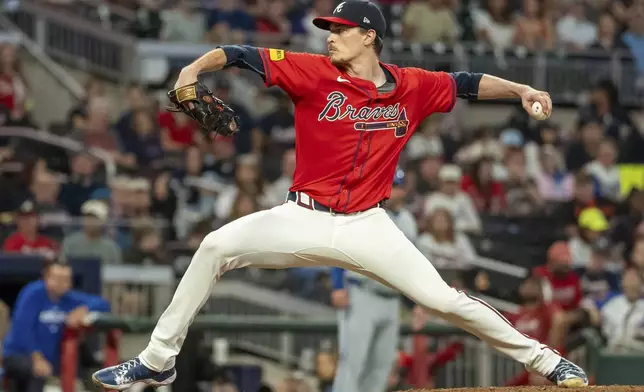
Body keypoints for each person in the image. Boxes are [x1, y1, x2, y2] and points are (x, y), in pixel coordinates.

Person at [93, 1, 588, 389]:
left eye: (340, 29)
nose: (329, 37)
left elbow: (466, 83)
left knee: (443, 299)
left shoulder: (411, 86)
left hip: (367, 225)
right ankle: (158, 360)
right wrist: (191, 72)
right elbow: (238, 53)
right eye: (328, 29)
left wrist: (522, 89)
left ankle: (548, 361)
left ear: (368, 35)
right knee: (214, 246)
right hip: (301, 216)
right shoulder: (311, 71)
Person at [329, 170, 411, 392]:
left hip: (392, 300)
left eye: (398, 187)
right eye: (390, 186)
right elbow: (338, 249)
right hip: (361, 294)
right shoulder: (360, 213)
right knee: (352, 365)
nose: (394, 192)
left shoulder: (407, 221)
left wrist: (417, 302)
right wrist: (338, 284)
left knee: (381, 367)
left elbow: (413, 265)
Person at [2, 261, 110, 392]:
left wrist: (84, 309)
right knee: (38, 372)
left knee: (89, 369)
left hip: (53, 359)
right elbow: (23, 329)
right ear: (46, 278)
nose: (62, 283)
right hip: (19, 355)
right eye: (58, 278)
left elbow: (103, 304)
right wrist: (37, 358)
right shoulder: (32, 293)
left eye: (66, 279)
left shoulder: (69, 298)